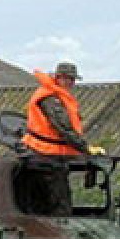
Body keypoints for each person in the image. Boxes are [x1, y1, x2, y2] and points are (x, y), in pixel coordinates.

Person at [20, 62, 104, 216]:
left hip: (48, 156)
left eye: (72, 79)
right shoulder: (50, 98)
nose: (70, 83)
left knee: (48, 204)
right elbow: (64, 128)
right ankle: (60, 236)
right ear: (57, 78)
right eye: (66, 79)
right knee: (60, 207)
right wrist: (85, 149)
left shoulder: (57, 96)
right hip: (44, 157)